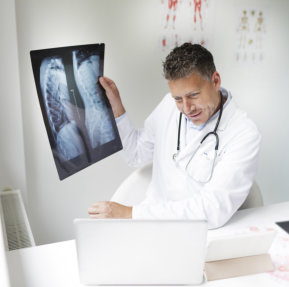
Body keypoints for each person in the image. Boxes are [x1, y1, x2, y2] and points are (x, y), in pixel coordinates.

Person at [88, 43, 261, 229]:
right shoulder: (168, 106)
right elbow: (135, 154)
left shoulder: (244, 133)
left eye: (193, 95)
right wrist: (115, 107)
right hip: (151, 225)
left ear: (216, 81)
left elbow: (212, 210)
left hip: (200, 233)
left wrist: (131, 213)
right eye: (178, 99)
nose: (186, 109)